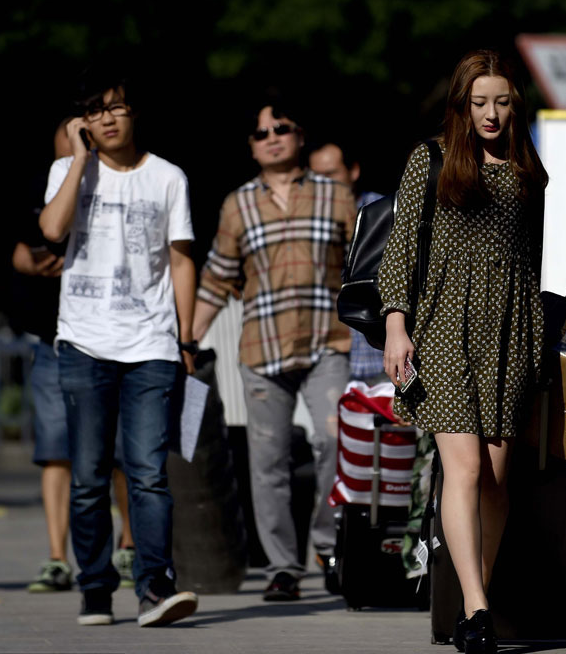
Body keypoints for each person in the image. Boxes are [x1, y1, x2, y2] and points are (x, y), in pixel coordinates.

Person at [380, 49, 547, 654]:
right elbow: (401, 246)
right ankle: (477, 608)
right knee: (467, 469)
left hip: (509, 333)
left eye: (501, 102)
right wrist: (396, 326)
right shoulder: (430, 159)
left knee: (496, 482)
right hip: (444, 327)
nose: (491, 114)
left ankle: (474, 597)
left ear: (515, 104)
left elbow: (532, 258)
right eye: (479, 103)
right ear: (461, 104)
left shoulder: (528, 171)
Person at [39, 68, 199, 627]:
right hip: (84, 342)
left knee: (148, 472)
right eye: (95, 110)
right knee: (87, 476)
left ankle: (155, 588)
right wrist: (79, 160)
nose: (106, 118)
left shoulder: (168, 177)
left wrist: (186, 337)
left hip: (151, 343)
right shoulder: (67, 170)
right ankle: (95, 589)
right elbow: (52, 230)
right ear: (83, 121)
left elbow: (181, 258)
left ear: (134, 113)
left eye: (116, 107)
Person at [193, 95, 358, 601]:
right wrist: (186, 340)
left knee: (334, 444)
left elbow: (365, 266)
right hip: (262, 351)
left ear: (299, 136)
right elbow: (217, 279)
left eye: (281, 129)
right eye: (261, 133)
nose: (272, 139)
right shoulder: (237, 204)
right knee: (268, 463)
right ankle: (283, 567)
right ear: (251, 146)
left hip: (326, 342)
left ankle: (328, 549)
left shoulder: (335, 195)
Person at [17, 119, 137, 594]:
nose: (75, 153)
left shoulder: (123, 185)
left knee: (121, 452)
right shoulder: (43, 188)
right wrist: (33, 261)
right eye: (67, 148)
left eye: (81, 147)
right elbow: (22, 245)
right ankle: (56, 557)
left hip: (112, 339)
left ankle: (128, 548)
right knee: (56, 451)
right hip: (52, 338)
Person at [309, 137, 385, 385]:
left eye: (331, 174)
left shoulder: (382, 211)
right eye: (316, 177)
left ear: (353, 171)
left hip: (383, 354)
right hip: (332, 361)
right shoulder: (308, 224)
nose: (324, 185)